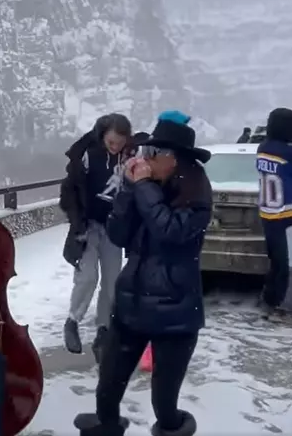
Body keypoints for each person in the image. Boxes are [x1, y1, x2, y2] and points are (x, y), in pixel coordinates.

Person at [74, 110, 212, 436]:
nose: (145, 159)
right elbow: (119, 234)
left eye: (153, 153)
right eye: (145, 153)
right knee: (107, 388)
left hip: (175, 313)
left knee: (164, 403)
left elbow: (168, 230)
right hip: (131, 305)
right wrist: (126, 190)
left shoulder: (197, 199)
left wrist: (144, 185)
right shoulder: (146, 188)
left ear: (175, 160)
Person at [60, 113, 133, 361]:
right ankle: (72, 321)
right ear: (103, 135)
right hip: (88, 224)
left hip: (114, 226)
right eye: (111, 142)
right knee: (88, 276)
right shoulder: (89, 154)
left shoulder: (130, 157)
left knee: (112, 281)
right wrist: (77, 222)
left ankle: (103, 330)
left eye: (119, 143)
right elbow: (70, 189)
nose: (114, 147)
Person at [256, 108, 292, 325]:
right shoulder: (291, 153)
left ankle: (268, 303)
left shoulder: (262, 148)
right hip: (288, 214)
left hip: (268, 213)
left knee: (276, 264)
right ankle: (284, 310)